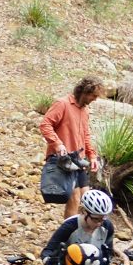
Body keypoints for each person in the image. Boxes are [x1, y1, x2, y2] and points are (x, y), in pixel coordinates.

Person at [39, 76, 104, 217]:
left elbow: (85, 135)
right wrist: (57, 144)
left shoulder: (85, 111)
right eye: (94, 96)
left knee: (87, 199)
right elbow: (45, 125)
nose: (95, 99)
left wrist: (92, 156)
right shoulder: (62, 104)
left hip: (79, 160)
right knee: (74, 198)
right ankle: (69, 231)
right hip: (64, 160)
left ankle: (82, 228)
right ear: (85, 92)